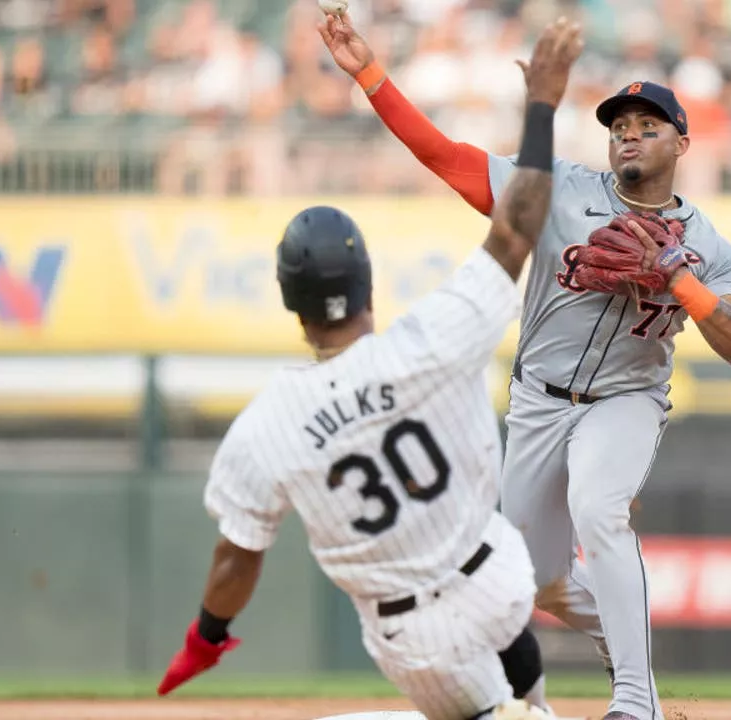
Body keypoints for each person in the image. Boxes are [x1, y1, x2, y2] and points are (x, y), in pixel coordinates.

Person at [318, 14, 731, 720]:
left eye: (649, 125)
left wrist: (680, 280)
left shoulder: (709, 246)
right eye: (620, 124)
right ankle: (624, 650)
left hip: (625, 399)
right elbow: (444, 155)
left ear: (682, 142)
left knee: (599, 510)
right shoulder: (557, 188)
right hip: (537, 401)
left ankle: (633, 699)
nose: (629, 132)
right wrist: (370, 75)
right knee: (534, 581)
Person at [154, 18, 586, 720]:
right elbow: (519, 223)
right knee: (516, 670)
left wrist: (207, 638)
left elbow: (238, 559)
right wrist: (541, 103)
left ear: (293, 307)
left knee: (479, 713)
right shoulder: (438, 331)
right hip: (498, 578)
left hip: (414, 633)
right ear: (369, 286)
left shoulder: (269, 423)